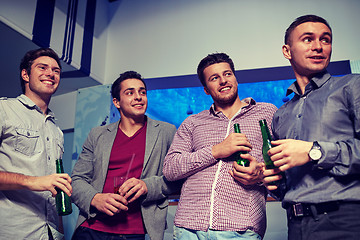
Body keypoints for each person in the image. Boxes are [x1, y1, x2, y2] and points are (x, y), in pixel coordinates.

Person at [262, 15, 360, 239]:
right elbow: (288, 185)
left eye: (325, 40)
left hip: (346, 220)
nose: (318, 46)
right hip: (296, 226)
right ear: (287, 51)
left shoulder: (352, 86)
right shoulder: (281, 115)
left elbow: (310, 153)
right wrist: (272, 182)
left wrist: (313, 151)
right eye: (308, 39)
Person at [163, 53, 278, 239]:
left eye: (227, 74)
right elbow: (170, 168)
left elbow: (284, 164)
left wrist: (261, 175)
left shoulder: (267, 113)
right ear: (206, 89)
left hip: (240, 229)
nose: (223, 81)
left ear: (235, 77)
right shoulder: (193, 122)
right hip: (188, 229)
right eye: (214, 78)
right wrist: (216, 150)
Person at [71, 71, 180, 240]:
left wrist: (147, 186)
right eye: (130, 93)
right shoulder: (97, 134)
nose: (138, 97)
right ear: (116, 102)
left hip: (135, 233)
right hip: (91, 228)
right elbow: (77, 179)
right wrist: (95, 198)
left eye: (142, 92)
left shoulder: (166, 132)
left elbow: (178, 180)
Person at [0, 48, 72, 239]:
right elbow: (42, 183)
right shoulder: (4, 110)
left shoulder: (56, 130)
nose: (50, 73)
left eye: (56, 71)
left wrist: (60, 232)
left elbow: (56, 187)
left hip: (50, 233)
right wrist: (34, 181)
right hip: (12, 231)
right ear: (25, 74)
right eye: (42, 67)